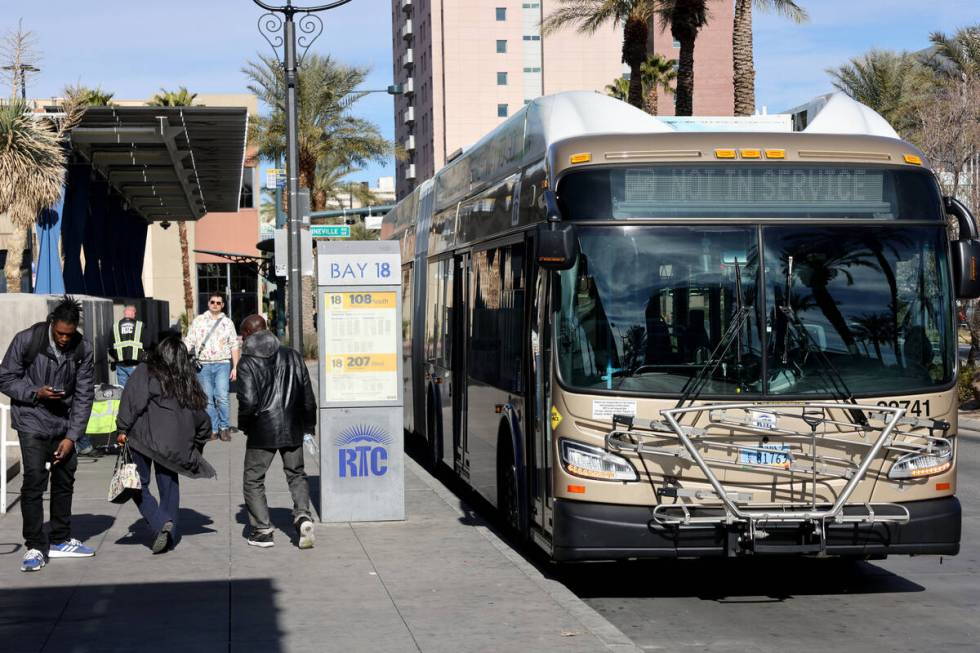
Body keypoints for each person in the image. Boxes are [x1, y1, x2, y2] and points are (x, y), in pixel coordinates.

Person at [0, 296, 96, 572]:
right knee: (34, 480)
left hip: (63, 423)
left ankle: (61, 538)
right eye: (60, 334)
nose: (64, 339)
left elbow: (84, 394)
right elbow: (5, 377)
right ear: (51, 324)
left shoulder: (83, 349)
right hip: (31, 419)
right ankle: (34, 545)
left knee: (65, 478)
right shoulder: (27, 340)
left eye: (69, 334)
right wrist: (35, 393)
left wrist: (72, 436)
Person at [115, 336, 216, 554]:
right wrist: (196, 447)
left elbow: (131, 401)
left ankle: (160, 522)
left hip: (142, 438)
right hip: (174, 446)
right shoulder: (187, 382)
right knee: (169, 487)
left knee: (136, 483)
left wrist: (122, 429)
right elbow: (203, 421)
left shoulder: (146, 370)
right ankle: (168, 527)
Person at [237, 314, 317, 549]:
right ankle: (303, 516)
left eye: (243, 335)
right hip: (292, 426)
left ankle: (262, 530)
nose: (242, 340)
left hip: (262, 429)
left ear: (249, 334)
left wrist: (244, 424)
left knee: (253, 479)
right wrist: (308, 426)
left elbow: (249, 401)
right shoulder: (292, 355)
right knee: (296, 474)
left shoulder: (247, 361)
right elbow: (307, 396)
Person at [184, 293, 239, 442]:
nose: (215, 304)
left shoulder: (228, 323)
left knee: (222, 396)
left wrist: (235, 367)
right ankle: (213, 429)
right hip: (203, 365)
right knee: (207, 398)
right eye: (212, 302)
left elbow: (234, 345)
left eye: (218, 303)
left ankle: (224, 428)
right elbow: (189, 341)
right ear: (208, 303)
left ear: (222, 305)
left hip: (223, 364)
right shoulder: (199, 321)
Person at [110, 304, 146, 387]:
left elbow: (110, 346)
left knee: (123, 391)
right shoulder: (140, 326)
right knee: (137, 390)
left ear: (124, 313)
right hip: (135, 364)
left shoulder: (115, 326)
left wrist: (116, 357)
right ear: (133, 313)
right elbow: (147, 344)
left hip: (120, 364)